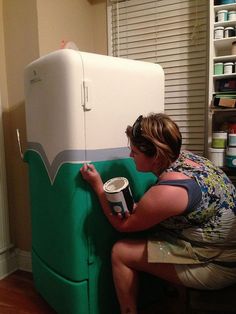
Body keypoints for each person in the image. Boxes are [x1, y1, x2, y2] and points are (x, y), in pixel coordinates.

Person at [80, 113, 236, 314]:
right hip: (221, 248)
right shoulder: (187, 158)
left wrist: (98, 186)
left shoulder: (171, 190)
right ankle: (177, 301)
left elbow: (122, 226)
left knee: (121, 252)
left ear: (156, 156)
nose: (130, 156)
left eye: (134, 152)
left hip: (218, 264)